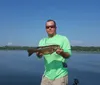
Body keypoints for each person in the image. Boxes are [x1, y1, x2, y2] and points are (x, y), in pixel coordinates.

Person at [36, 19, 71, 85]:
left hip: (60, 76)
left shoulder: (63, 39)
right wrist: (38, 54)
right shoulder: (42, 41)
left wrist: (62, 53)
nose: (50, 28)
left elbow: (68, 55)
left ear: (56, 28)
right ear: (45, 29)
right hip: (46, 75)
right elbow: (39, 56)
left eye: (52, 26)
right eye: (47, 27)